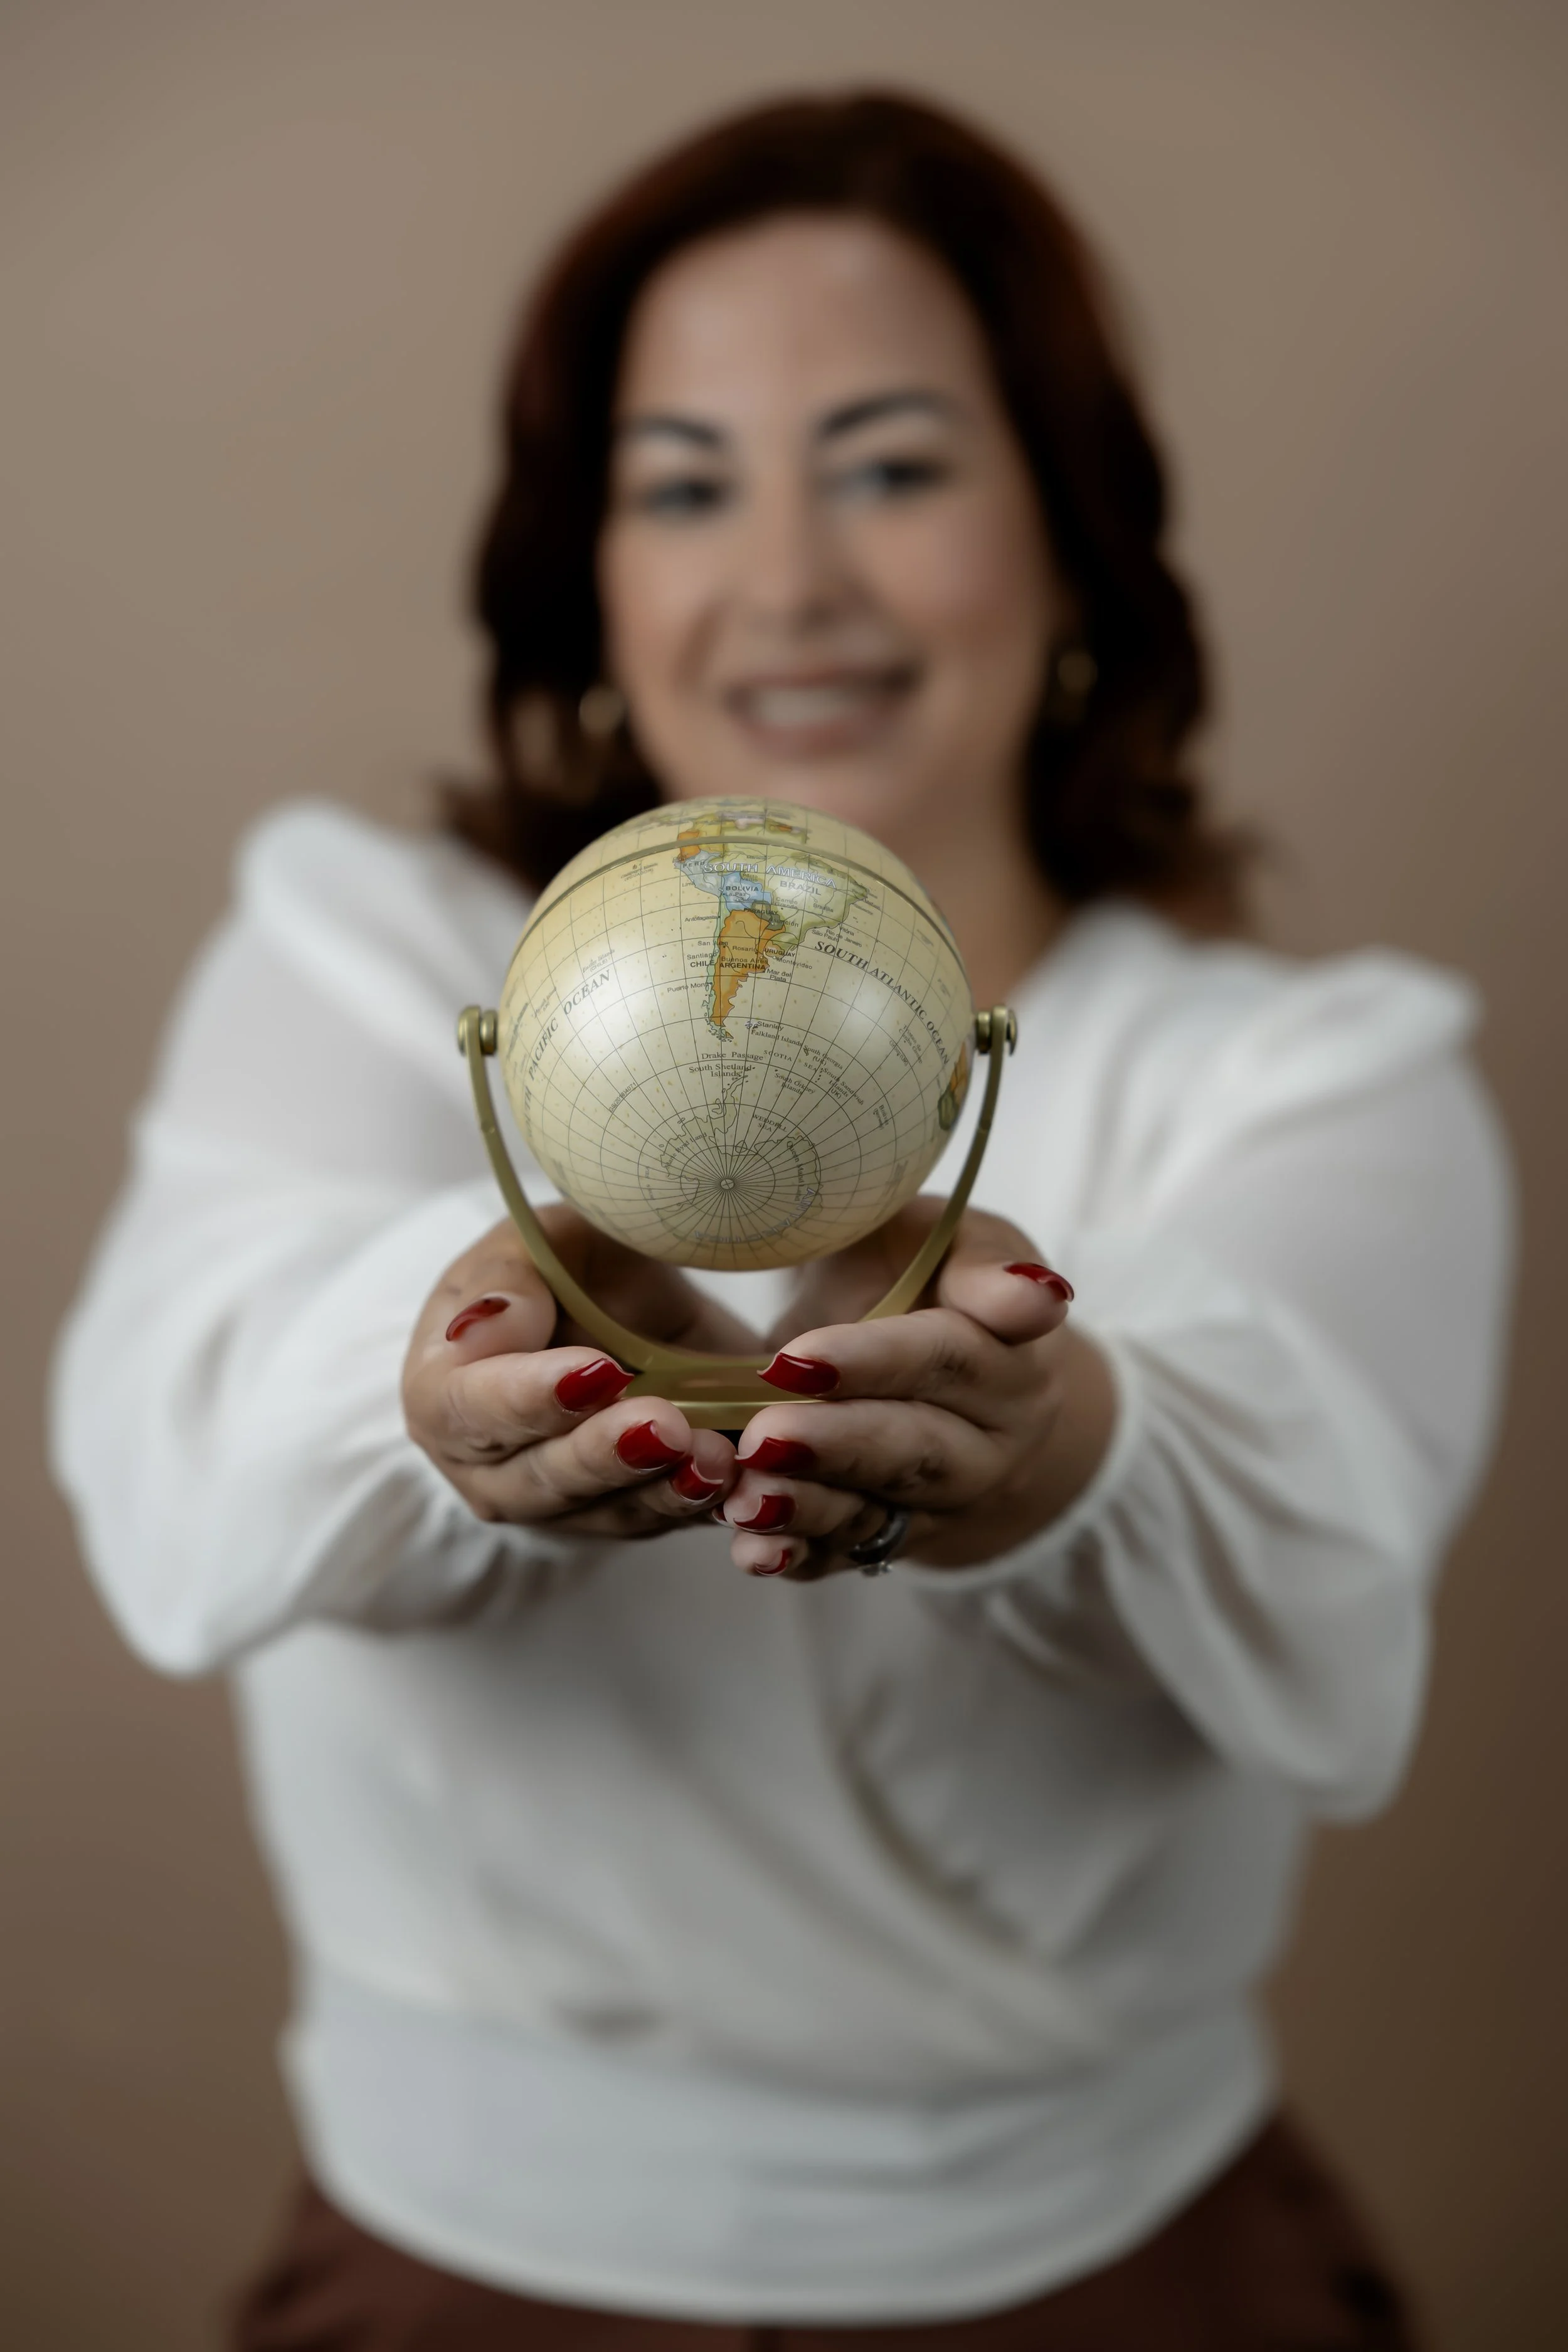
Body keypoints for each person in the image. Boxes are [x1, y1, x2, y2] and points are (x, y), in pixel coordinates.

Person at [51, 92, 1512, 2351]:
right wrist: (430, 1372)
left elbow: (1315, 1543)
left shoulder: (1312, 1071)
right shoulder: (362, 946)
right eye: (682, 483)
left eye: (895, 461)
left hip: (1120, 2273)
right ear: (596, 586)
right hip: (466, 2278)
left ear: (1071, 545)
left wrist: (1066, 1444)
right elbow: (177, 1464)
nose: (789, 577)